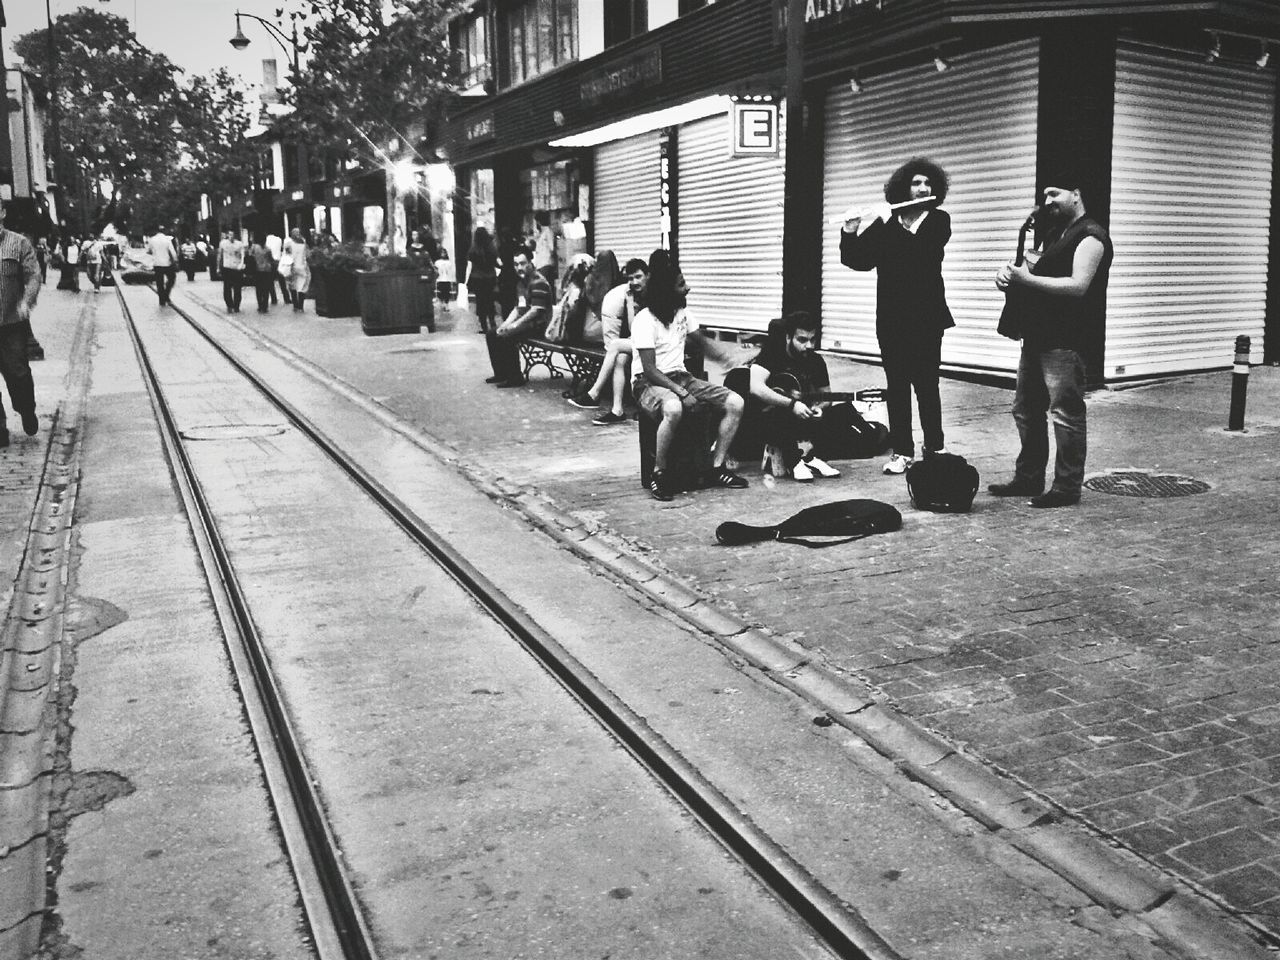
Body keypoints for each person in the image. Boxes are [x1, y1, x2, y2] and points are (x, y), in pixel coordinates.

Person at [991, 173, 1113, 508]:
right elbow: (1033, 275)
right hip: (1037, 336)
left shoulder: (1091, 236)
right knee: (1026, 411)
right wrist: (1010, 278)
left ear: (1076, 194)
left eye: (1054, 194)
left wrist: (1026, 279)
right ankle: (1028, 477)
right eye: (1044, 195)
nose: (1048, 202)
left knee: (1065, 413)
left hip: (1066, 340)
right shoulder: (1057, 232)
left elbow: (1078, 286)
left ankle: (1067, 487)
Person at [840, 156, 955, 475]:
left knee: (927, 385)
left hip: (927, 318)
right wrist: (850, 231)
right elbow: (858, 260)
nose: (922, 188)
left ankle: (934, 446)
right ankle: (902, 451)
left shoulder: (938, 220)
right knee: (897, 385)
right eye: (916, 183)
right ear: (904, 187)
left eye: (927, 183)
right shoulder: (886, 223)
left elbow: (921, 252)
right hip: (891, 318)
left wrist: (887, 218)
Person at [633, 249, 748, 501]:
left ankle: (716, 467)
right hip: (648, 382)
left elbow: (702, 342)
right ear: (666, 290)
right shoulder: (644, 320)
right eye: (682, 284)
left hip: (682, 377)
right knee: (674, 409)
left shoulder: (683, 314)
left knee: (736, 402)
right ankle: (659, 474)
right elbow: (650, 370)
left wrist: (728, 359)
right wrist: (681, 393)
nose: (688, 288)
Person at [742, 312, 842, 482]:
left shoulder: (816, 361)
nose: (808, 345)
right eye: (802, 340)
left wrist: (819, 407)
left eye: (812, 339)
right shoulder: (772, 355)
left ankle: (813, 458)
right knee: (780, 413)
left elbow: (827, 395)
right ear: (788, 338)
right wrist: (791, 404)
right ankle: (794, 462)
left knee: (841, 413)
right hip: (767, 419)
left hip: (802, 416)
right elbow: (756, 388)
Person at [567, 254, 644, 425]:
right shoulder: (633, 296)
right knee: (619, 358)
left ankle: (594, 393)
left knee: (615, 346)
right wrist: (630, 302)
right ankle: (617, 410)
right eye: (631, 278)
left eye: (638, 277)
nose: (635, 282)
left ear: (648, 276)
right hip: (639, 340)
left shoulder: (652, 295)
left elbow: (638, 331)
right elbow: (633, 327)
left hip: (654, 343)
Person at [0, 200, 43, 448]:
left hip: (11, 323)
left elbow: (33, 276)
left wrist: (27, 301)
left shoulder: (18, 243)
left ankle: (26, 409)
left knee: (18, 374)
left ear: (2, 213)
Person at [490, 246, 551, 387]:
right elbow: (519, 308)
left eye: (522, 263)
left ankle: (515, 377)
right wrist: (505, 324)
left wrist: (514, 325)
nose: (519, 268)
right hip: (527, 323)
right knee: (493, 334)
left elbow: (536, 310)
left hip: (539, 325)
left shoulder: (538, 281)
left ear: (530, 262)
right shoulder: (522, 282)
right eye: (516, 264)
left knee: (507, 336)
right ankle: (501, 373)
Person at [466, 226, 499, 338]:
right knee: (490, 300)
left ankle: (484, 326)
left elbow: (469, 266)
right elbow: (498, 262)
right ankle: (493, 322)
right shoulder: (492, 249)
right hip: (490, 278)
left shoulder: (473, 250)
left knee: (480, 301)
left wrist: (465, 281)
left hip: (477, 278)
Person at [146, 225, 178, 306]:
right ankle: (166, 294)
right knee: (171, 279)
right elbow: (172, 252)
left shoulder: (152, 240)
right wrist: (175, 261)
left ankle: (162, 300)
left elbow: (148, 251)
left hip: (157, 264)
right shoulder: (167, 240)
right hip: (167, 263)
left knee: (159, 283)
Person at [245, 234, 276, 313]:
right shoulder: (268, 249)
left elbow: (249, 255)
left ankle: (260, 305)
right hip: (266, 270)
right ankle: (265, 306)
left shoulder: (254, 248)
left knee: (259, 289)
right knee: (266, 289)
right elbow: (271, 260)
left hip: (257, 270)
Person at [217, 232, 246, 313]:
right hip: (227, 268)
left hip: (236, 268)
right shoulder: (223, 243)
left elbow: (243, 255)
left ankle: (236, 305)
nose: (231, 237)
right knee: (227, 287)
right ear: (227, 236)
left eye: (232, 235)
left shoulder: (239, 244)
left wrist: (241, 264)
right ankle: (229, 304)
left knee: (237, 288)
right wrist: (218, 267)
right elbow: (220, 255)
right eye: (229, 235)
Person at [283, 228, 311, 312]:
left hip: (292, 267)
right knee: (302, 286)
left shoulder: (288, 244)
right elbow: (308, 255)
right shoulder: (304, 244)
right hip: (302, 267)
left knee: (293, 286)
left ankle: (295, 305)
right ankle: (301, 306)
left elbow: (287, 256)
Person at [264, 231, 284, 304]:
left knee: (270, 281)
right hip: (278, 261)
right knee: (282, 281)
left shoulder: (266, 240)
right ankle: (286, 297)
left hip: (270, 261)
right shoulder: (279, 239)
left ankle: (274, 298)